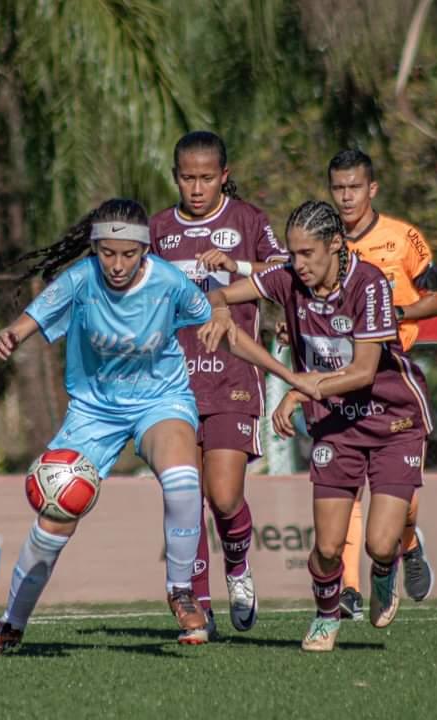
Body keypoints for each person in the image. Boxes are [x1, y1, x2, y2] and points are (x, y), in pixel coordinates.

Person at [0, 198, 324, 656]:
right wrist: (13, 333)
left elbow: (231, 335)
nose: (117, 264)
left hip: (161, 402)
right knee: (53, 521)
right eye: (107, 253)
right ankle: (11, 624)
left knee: (182, 481)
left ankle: (181, 590)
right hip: (93, 412)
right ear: (95, 249)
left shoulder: (169, 282)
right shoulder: (80, 281)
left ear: (144, 251)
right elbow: (35, 316)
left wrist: (290, 376)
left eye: (128, 254)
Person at [199, 200, 434, 652]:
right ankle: (327, 616)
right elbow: (220, 292)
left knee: (380, 546)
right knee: (327, 549)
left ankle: (388, 567)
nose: (298, 263)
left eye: (308, 253)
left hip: (392, 420)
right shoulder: (286, 276)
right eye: (293, 253)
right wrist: (221, 309)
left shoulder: (367, 284)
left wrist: (298, 389)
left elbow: (364, 372)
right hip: (335, 424)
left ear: (335, 246)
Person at [149, 131, 290, 639]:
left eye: (207, 177)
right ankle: (198, 606)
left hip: (231, 378)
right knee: (186, 496)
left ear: (224, 176)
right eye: (188, 177)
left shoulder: (248, 220)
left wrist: (239, 266)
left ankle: (238, 568)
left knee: (224, 495)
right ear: (175, 177)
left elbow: (289, 269)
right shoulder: (159, 230)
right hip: (172, 384)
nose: (197, 187)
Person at [327, 148, 437, 618]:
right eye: (338, 188)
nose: (346, 197)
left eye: (354, 187)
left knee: (401, 502)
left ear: (371, 189)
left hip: (394, 376)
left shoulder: (403, 238)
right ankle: (350, 590)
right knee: (346, 485)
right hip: (342, 376)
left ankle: (410, 544)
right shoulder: (325, 239)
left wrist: (394, 313)